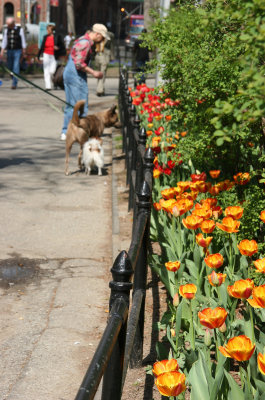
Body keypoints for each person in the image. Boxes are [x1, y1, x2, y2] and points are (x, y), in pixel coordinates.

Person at [60, 23, 109, 141]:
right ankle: (69, 132)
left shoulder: (82, 39)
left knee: (73, 104)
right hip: (75, 75)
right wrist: (94, 72)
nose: (102, 40)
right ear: (97, 34)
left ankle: (69, 131)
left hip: (71, 73)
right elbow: (79, 63)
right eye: (102, 37)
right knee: (79, 105)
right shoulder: (85, 43)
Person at [0, 17, 27, 89]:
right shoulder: (6, 31)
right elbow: (4, 41)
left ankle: (14, 83)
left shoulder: (20, 30)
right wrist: (2, 51)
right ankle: (14, 77)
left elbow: (23, 41)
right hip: (9, 51)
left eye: (9, 25)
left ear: (13, 24)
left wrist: (24, 51)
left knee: (16, 66)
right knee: (9, 67)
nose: (8, 26)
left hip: (17, 51)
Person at [37, 24, 65, 90]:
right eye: (47, 30)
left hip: (54, 55)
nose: (47, 31)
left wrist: (58, 48)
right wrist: (38, 56)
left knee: (52, 71)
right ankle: (48, 86)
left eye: (48, 30)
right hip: (46, 54)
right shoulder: (45, 37)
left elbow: (62, 46)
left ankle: (54, 81)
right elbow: (42, 47)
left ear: (52, 30)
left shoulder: (57, 37)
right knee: (46, 70)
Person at [94, 30, 114, 96]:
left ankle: (100, 90)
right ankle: (100, 88)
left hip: (104, 57)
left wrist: (105, 34)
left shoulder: (108, 36)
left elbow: (112, 36)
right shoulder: (96, 36)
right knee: (98, 74)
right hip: (97, 56)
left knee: (103, 73)